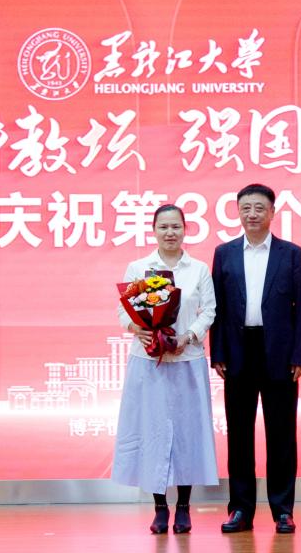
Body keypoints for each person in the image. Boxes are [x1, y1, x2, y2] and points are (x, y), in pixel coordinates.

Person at [210, 183, 301, 534]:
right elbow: (218, 308)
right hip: (238, 353)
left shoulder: (291, 254)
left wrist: (300, 354)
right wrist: (218, 352)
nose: (252, 214)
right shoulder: (224, 253)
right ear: (238, 212)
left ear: (272, 212)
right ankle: (240, 509)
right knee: (239, 435)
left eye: (259, 208)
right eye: (246, 208)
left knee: (282, 434)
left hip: (280, 355)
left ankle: (283, 510)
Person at [112, 203, 218, 534]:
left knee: (187, 435)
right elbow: (124, 311)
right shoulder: (139, 268)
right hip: (149, 363)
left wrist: (189, 335)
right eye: (163, 227)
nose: (170, 233)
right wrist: (137, 329)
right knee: (153, 434)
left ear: (185, 229)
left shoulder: (198, 269)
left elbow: (209, 310)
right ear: (154, 231)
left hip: (187, 361)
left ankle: (184, 507)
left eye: (176, 227)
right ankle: (160, 508)